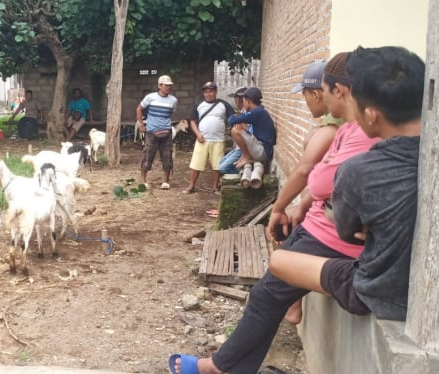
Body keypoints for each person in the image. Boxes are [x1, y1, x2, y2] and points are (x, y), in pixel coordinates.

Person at [170, 51, 381, 374]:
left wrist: (286, 205)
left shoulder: (360, 133)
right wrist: (304, 204)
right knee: (268, 291)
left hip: (332, 241)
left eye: (322, 91)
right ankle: (232, 363)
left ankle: (217, 367)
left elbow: (314, 175)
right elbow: (324, 180)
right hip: (316, 228)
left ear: (338, 91)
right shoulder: (349, 129)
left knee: (267, 293)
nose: (318, 99)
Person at [269, 46, 423, 324]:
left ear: (372, 114)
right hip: (412, 288)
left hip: (374, 287)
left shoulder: (359, 167)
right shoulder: (423, 159)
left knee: (278, 262)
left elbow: (347, 230)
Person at [266, 60, 341, 324]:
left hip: (335, 223)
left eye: (305, 95)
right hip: (325, 208)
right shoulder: (333, 127)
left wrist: (278, 208)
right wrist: (302, 204)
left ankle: (292, 305)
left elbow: (303, 170)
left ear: (317, 94)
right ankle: (293, 305)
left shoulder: (331, 130)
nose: (305, 101)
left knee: (288, 247)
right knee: (290, 235)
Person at [182, 81, 233, 194]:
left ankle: (215, 186)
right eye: (206, 92)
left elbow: (232, 118)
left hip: (218, 140)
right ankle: (191, 186)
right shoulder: (199, 105)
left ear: (216, 92)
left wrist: (231, 130)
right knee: (196, 163)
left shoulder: (224, 105)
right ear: (204, 93)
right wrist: (198, 134)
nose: (208, 94)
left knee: (217, 165)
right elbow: (193, 122)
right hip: (202, 140)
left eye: (211, 91)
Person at [136, 75, 177, 190]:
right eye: (166, 85)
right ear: (159, 86)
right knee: (148, 155)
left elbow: (171, 113)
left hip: (166, 132)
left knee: (167, 156)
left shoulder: (173, 100)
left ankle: (165, 181)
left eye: (169, 85)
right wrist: (141, 124)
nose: (168, 87)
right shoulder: (150, 97)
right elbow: (139, 108)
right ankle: (144, 180)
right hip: (151, 132)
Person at [227, 87, 276, 169]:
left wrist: (235, 117)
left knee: (235, 131)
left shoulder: (256, 112)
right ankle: (245, 156)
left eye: (243, 101)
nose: (243, 103)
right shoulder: (259, 111)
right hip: (261, 148)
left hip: (262, 152)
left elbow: (231, 120)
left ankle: (247, 157)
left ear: (248, 101)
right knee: (239, 128)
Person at [218, 87, 248, 175]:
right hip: (238, 147)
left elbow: (247, 129)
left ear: (239, 100)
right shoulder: (243, 111)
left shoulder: (248, 112)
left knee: (222, 169)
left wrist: (240, 123)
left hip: (242, 149)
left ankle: (240, 174)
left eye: (235, 100)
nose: (235, 102)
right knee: (220, 163)